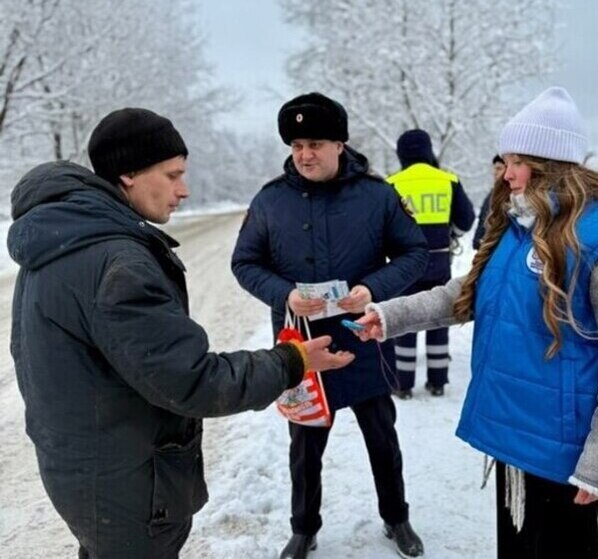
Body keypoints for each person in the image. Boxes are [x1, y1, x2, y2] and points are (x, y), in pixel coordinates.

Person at [7, 108, 354, 559]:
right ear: (128, 174)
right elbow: (193, 382)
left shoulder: (59, 243)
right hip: (130, 484)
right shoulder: (118, 263)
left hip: (86, 472)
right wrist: (293, 360)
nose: (184, 190)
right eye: (173, 175)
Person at [352, 87, 598, 558]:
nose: (506, 174)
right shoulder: (521, 229)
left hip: (565, 450)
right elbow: (463, 294)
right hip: (513, 432)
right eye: (504, 161)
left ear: (551, 163)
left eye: (516, 161)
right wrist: (388, 314)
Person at [231, 92, 429, 558]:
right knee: (304, 447)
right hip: (302, 347)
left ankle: (396, 517)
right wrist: (285, 295)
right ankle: (304, 528)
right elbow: (244, 263)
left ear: (340, 143)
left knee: (382, 436)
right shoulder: (270, 201)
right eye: (297, 144)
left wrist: (372, 289)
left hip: (364, 338)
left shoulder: (378, 195)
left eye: (315, 143)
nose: (305, 154)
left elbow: (414, 253)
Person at [385, 129, 475, 398]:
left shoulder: (392, 183)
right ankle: (437, 381)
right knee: (438, 317)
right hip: (438, 262)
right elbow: (466, 220)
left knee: (405, 319)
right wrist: (451, 235)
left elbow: (382, 227)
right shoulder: (448, 180)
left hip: (404, 267)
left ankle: (403, 384)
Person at [473, 154, 506, 249]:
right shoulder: (492, 194)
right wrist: (478, 241)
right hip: (486, 250)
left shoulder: (512, 198)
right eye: (494, 169)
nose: (495, 173)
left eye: (499, 169)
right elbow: (482, 221)